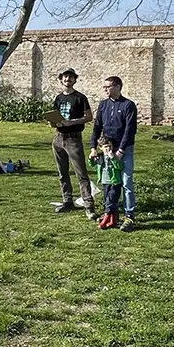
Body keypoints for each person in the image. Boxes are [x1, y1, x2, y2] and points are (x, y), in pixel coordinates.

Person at [89, 76, 138, 232]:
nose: (105, 89)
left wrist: (120, 151)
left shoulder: (128, 106)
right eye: (104, 87)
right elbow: (97, 127)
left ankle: (129, 216)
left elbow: (130, 131)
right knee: (109, 182)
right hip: (106, 149)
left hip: (124, 149)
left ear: (118, 87)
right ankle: (111, 213)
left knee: (126, 182)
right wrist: (93, 148)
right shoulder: (103, 105)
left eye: (108, 87)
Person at [49, 69, 96, 220]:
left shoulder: (80, 98)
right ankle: (67, 201)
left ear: (75, 80)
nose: (67, 79)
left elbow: (89, 117)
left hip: (73, 138)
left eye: (70, 77)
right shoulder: (59, 98)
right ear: (61, 80)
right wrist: (52, 121)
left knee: (81, 173)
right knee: (62, 172)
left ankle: (89, 205)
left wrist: (73, 122)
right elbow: (55, 114)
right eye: (65, 77)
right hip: (58, 137)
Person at [88, 139, 124, 230]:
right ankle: (113, 220)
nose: (108, 148)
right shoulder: (100, 157)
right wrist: (90, 157)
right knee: (109, 202)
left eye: (110, 146)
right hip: (105, 182)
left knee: (110, 202)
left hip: (115, 182)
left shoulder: (114, 156)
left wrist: (112, 157)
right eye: (105, 146)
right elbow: (92, 164)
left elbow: (119, 166)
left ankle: (105, 220)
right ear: (100, 147)